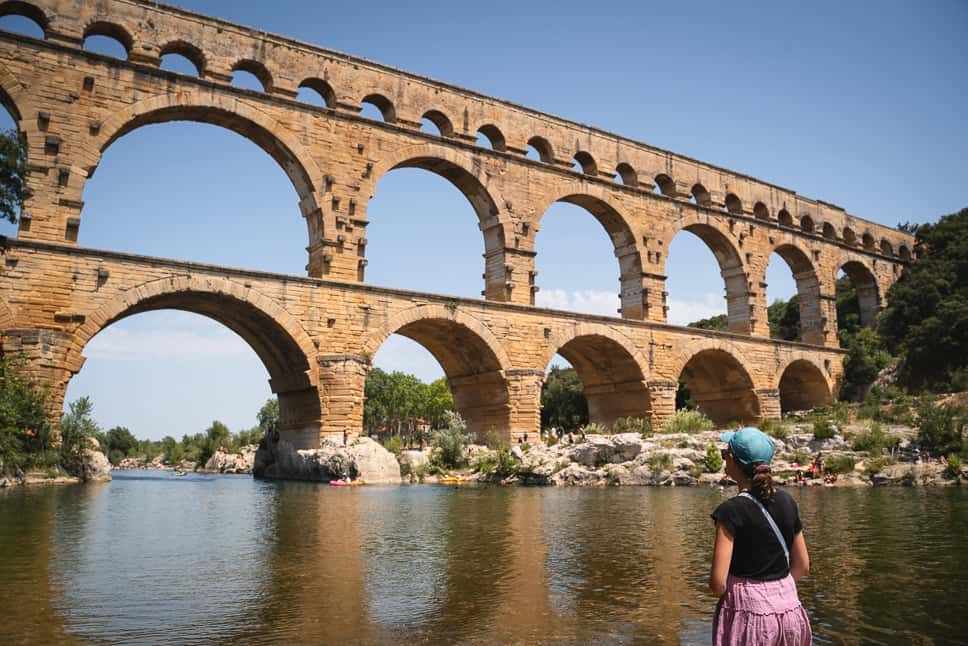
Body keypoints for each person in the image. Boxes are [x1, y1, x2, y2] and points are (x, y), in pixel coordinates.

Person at [709, 427, 811, 645]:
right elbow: (802, 566)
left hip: (750, 618)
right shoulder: (788, 502)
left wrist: (755, 596)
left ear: (731, 460)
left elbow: (718, 583)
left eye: (725, 454)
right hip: (790, 611)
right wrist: (775, 592)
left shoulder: (730, 511)